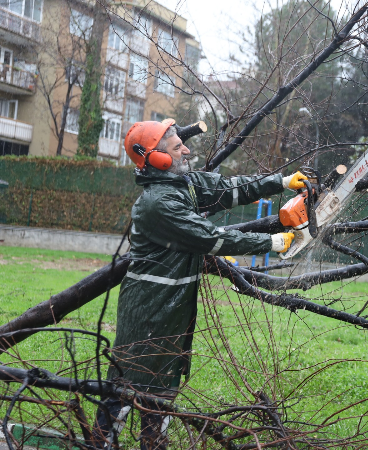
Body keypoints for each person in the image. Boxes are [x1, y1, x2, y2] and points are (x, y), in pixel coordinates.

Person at [91, 119, 305, 450]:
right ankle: (99, 445)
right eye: (178, 147)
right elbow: (210, 237)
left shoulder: (183, 185)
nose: (186, 150)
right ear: (158, 158)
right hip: (149, 311)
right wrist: (271, 243)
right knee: (125, 390)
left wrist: (282, 182)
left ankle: (153, 444)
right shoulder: (157, 203)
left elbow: (229, 188)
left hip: (172, 311)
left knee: (160, 394)